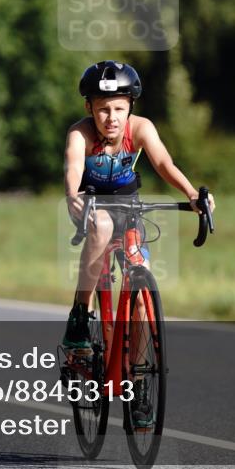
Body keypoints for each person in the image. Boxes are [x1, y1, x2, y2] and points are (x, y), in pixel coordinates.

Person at [62, 60, 215, 353]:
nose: (111, 118)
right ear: (89, 108)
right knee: (102, 227)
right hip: (90, 203)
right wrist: (72, 194)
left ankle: (141, 379)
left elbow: (163, 163)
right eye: (103, 109)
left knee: (143, 289)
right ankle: (80, 315)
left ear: (130, 106)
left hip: (129, 207)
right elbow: (73, 165)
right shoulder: (80, 133)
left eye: (119, 109)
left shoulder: (141, 128)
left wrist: (192, 193)